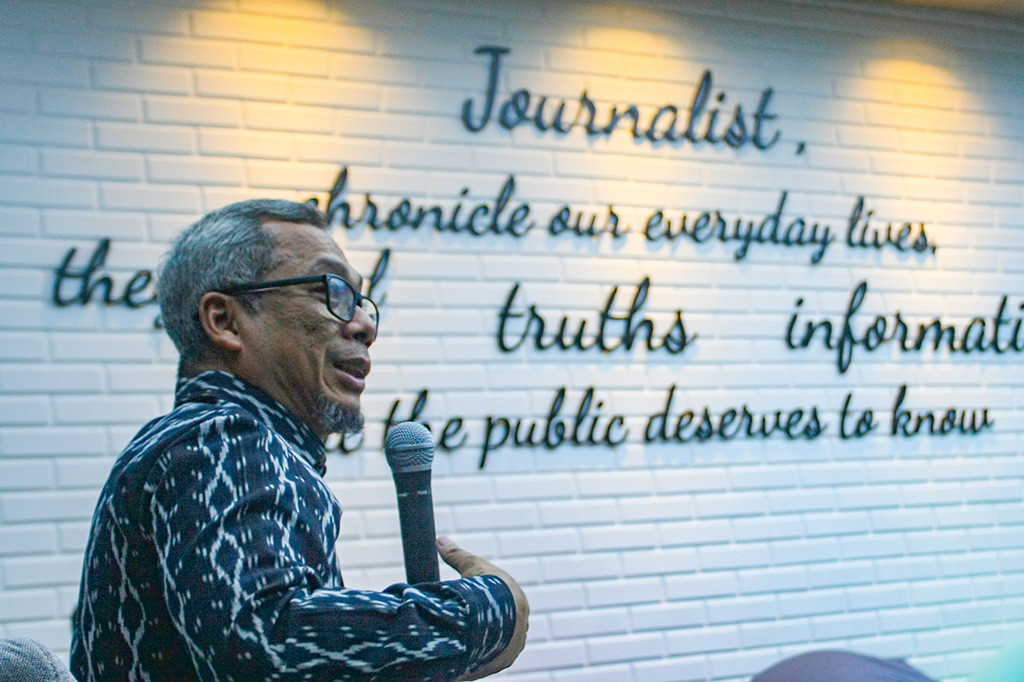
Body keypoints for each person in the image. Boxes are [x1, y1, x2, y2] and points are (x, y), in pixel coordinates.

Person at [70, 199, 528, 680]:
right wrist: (485, 612)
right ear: (225, 321)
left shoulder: (202, 440)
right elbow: (265, 646)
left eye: (361, 301)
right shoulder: (220, 437)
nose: (364, 325)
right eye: (331, 290)